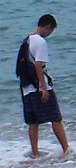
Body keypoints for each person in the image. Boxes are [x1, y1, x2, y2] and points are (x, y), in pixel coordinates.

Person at [17, 14, 71, 159]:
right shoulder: (40, 42)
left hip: (26, 88)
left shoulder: (27, 40)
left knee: (33, 122)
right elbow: (38, 65)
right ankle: (67, 150)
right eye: (51, 30)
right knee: (56, 118)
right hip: (37, 87)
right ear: (47, 27)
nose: (50, 33)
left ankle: (35, 153)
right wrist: (43, 87)